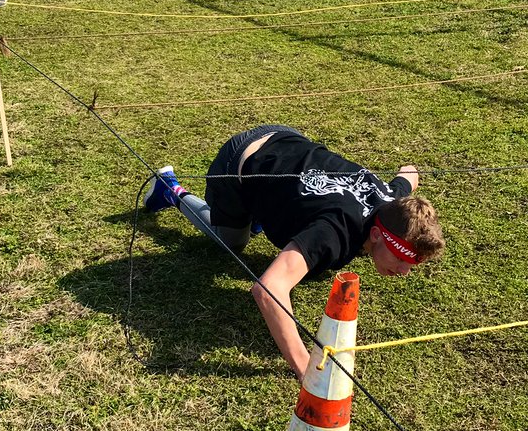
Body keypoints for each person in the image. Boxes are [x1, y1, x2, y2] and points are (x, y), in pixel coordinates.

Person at [143, 125, 445, 379]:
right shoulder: (335, 232)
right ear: (377, 235)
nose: (405, 272)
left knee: (311, 261)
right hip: (239, 162)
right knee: (232, 244)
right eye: (403, 260)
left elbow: (409, 172)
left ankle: (262, 214)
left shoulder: (393, 201)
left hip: (285, 138)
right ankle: (169, 189)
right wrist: (304, 367)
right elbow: (267, 289)